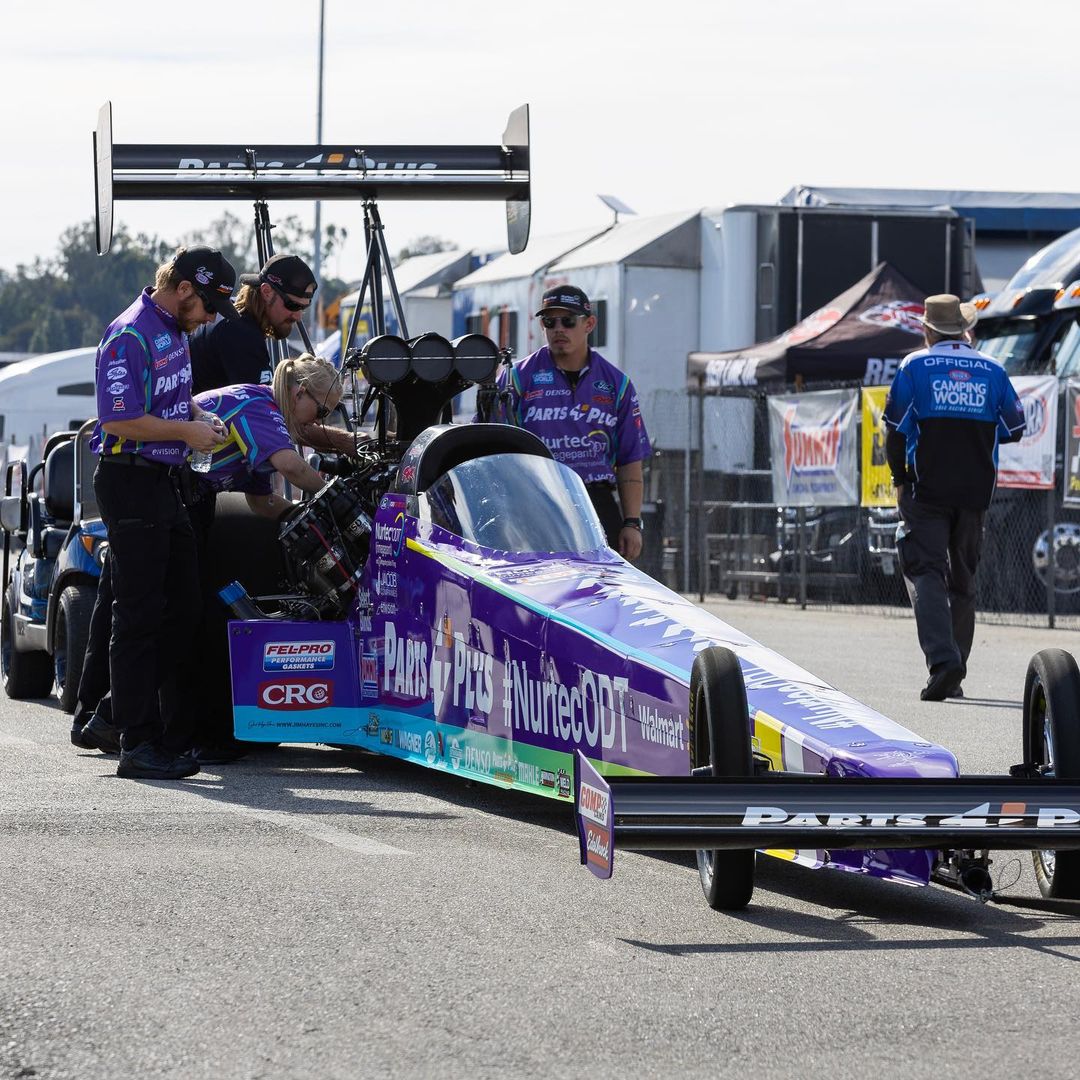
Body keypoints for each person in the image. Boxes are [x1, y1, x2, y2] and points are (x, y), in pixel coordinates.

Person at [72, 355, 354, 762]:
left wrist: (304, 515)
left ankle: (113, 717)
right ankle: (125, 719)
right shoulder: (261, 406)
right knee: (174, 616)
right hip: (165, 493)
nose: (319, 422)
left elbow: (262, 501)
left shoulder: (268, 414)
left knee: (169, 615)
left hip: (179, 497)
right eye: (322, 411)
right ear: (299, 393)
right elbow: (292, 468)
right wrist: (335, 500)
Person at [85, 246, 236, 779]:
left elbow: (174, 396)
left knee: (186, 609)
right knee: (139, 615)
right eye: (210, 305)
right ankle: (137, 742)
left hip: (163, 481)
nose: (212, 318)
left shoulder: (175, 329)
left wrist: (198, 415)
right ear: (184, 289)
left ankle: (114, 715)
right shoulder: (130, 334)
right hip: (129, 479)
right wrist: (186, 432)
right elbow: (117, 419)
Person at [883, 294, 1026, 701]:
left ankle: (944, 662)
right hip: (975, 494)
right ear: (965, 330)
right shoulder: (993, 369)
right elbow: (1015, 428)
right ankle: (955, 671)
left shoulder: (915, 366)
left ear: (927, 330)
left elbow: (894, 430)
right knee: (963, 581)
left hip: (926, 490)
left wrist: (899, 479)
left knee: (925, 570)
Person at [478, 285, 651, 560]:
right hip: (533, 501)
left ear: (589, 324)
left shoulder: (617, 384)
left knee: (602, 583)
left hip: (595, 501)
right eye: (550, 322)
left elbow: (630, 459)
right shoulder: (517, 378)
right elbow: (486, 447)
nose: (559, 329)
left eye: (568, 321)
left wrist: (632, 523)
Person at [190, 253, 317, 394]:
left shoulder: (236, 310)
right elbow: (261, 404)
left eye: (303, 307)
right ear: (266, 292)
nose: (298, 317)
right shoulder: (242, 333)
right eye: (292, 305)